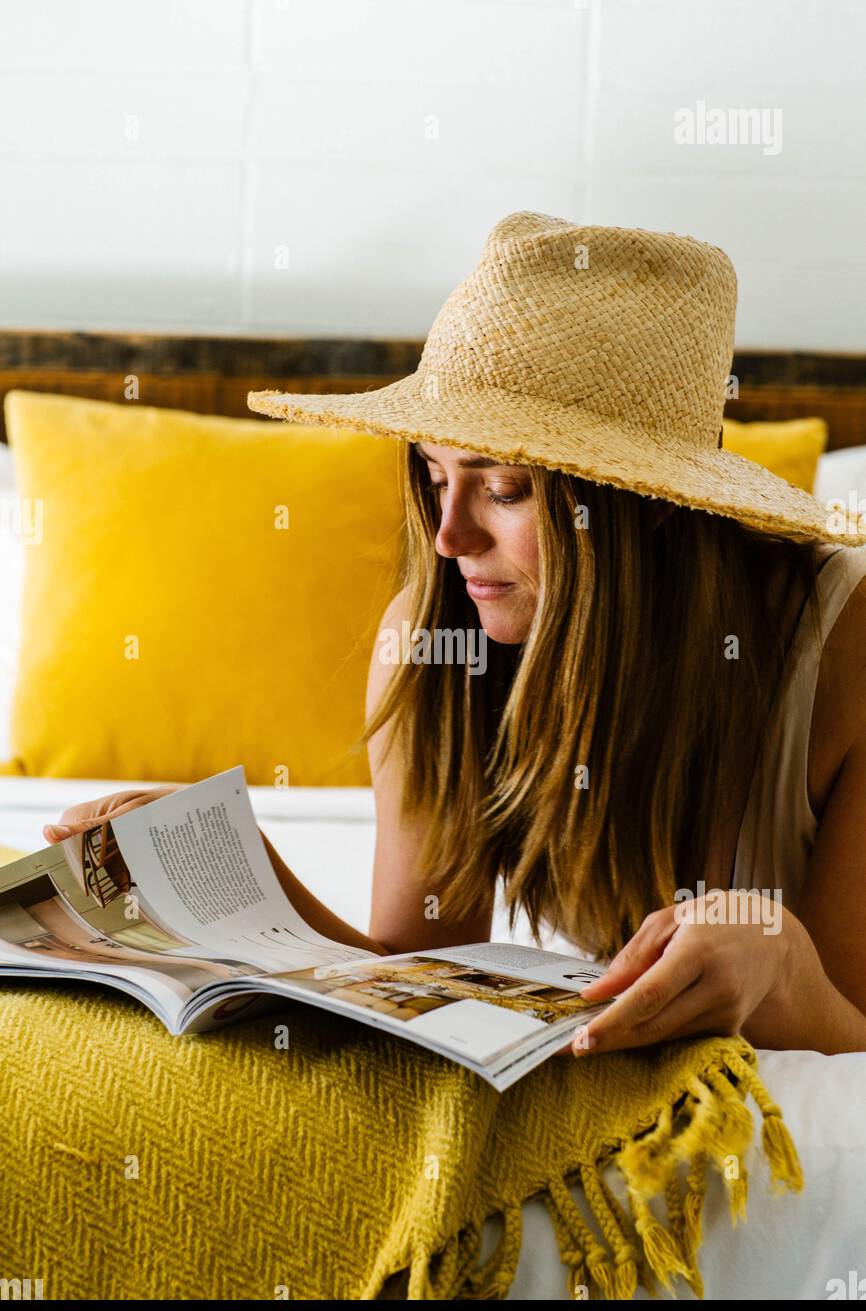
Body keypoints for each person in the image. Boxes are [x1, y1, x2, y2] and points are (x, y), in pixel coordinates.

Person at [45, 212, 866, 1058]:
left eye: (505, 489)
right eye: (434, 477)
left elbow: (854, 1037)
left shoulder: (846, 645)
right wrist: (249, 875)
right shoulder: (437, 636)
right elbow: (416, 977)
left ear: (646, 508)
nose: (449, 538)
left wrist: (785, 969)